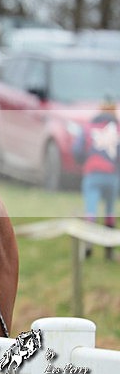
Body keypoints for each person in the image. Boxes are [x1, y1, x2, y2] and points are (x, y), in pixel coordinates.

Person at [72, 99, 120, 260]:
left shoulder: (88, 128)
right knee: (110, 211)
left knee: (90, 210)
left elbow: (77, 150)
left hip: (92, 174)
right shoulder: (118, 130)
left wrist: (84, 162)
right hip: (112, 176)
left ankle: (88, 244)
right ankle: (109, 250)